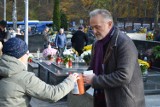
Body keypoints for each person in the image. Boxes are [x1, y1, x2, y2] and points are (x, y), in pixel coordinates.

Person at [83, 9, 145, 107]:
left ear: (109, 24)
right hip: (102, 99)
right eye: (92, 28)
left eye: (97, 27)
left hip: (123, 101)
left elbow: (123, 76)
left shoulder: (124, 42)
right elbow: (93, 69)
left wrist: (94, 80)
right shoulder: (97, 44)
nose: (94, 31)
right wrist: (81, 81)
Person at [0, 37, 79, 107]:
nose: (28, 56)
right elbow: (53, 94)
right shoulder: (24, 78)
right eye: (27, 53)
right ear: (20, 55)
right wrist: (70, 80)